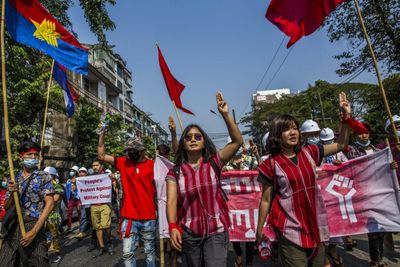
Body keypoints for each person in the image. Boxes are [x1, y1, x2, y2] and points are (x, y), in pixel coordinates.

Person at [256, 92, 352, 267]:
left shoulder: (311, 152)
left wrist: (346, 116)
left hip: (315, 224)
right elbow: (265, 200)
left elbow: (341, 145)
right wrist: (259, 228)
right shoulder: (269, 165)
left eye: (295, 127)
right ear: (276, 134)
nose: (293, 132)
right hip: (288, 228)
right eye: (286, 129)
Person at [166, 92, 243, 266]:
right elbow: (171, 202)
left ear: (203, 142)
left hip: (216, 231)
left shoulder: (215, 162)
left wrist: (225, 114)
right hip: (189, 234)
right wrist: (172, 226)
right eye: (188, 137)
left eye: (197, 137)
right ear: (183, 143)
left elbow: (237, 142)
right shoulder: (175, 172)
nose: (193, 139)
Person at [98, 134, 157, 267]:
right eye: (128, 151)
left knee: (149, 251)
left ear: (142, 151)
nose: (130, 154)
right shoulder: (123, 162)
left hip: (148, 216)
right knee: (127, 252)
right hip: (129, 216)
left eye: (133, 151)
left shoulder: (153, 165)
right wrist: (101, 134)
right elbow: (102, 156)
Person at [345, 122, 397, 267]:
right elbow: (352, 170)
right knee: (373, 229)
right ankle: (376, 260)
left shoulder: (378, 151)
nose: (363, 135)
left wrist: (390, 166)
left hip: (380, 195)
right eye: (360, 133)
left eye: (366, 132)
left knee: (381, 228)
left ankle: (379, 258)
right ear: (355, 135)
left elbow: (385, 170)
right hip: (365, 196)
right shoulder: (352, 151)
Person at [0, 141, 55, 266]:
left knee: (38, 262)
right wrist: (13, 193)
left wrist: (34, 232)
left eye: (36, 155)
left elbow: (50, 204)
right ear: (21, 156)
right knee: (5, 262)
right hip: (13, 226)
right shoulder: (14, 178)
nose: (33, 158)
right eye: (30, 154)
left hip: (33, 224)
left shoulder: (43, 176)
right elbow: (7, 207)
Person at [225, 142, 258, 267]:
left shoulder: (250, 160)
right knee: (235, 232)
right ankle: (238, 254)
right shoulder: (226, 163)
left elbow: (261, 169)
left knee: (250, 234)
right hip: (233, 204)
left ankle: (249, 262)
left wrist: (256, 154)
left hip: (250, 203)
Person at [90, 159, 113, 257]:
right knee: (98, 227)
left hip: (105, 204)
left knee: (106, 226)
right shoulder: (89, 178)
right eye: (93, 165)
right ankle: (102, 246)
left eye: (96, 165)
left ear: (101, 166)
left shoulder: (107, 176)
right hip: (94, 205)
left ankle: (109, 241)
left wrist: (113, 179)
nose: (95, 167)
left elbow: (116, 187)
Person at [43, 166, 64, 263]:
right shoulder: (41, 185)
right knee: (41, 236)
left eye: (47, 175)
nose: (45, 176)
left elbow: (54, 199)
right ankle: (43, 254)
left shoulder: (57, 186)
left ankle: (56, 254)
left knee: (54, 235)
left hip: (52, 216)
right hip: (40, 215)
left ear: (53, 176)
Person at [75, 167, 89, 240]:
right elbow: (79, 192)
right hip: (83, 202)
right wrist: (79, 202)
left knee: (89, 217)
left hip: (90, 201)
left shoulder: (90, 181)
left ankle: (86, 231)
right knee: (83, 216)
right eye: (80, 172)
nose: (81, 173)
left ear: (86, 173)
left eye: (83, 172)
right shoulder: (77, 181)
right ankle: (82, 231)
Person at [65, 165, 81, 232]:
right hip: (71, 199)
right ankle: (69, 227)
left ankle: (81, 227)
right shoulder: (68, 181)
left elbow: (80, 189)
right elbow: (67, 191)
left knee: (79, 213)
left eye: (73, 171)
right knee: (69, 213)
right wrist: (67, 200)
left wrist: (75, 183)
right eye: (71, 170)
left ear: (76, 172)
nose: (71, 172)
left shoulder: (79, 180)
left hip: (77, 199)